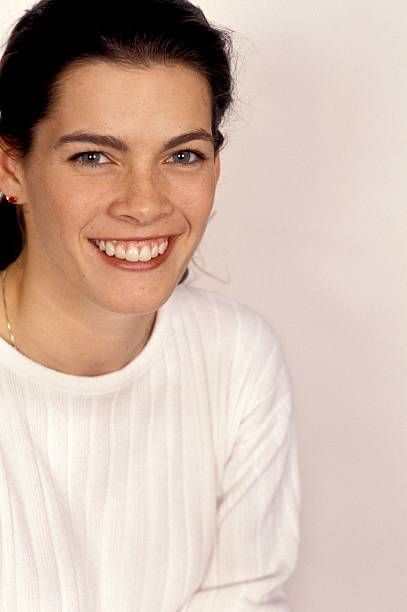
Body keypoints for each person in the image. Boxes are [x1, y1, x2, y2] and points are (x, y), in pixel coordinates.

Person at [0, 0, 301, 610]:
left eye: (182, 155)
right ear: (12, 168)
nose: (144, 203)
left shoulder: (235, 358)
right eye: (94, 156)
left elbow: (246, 597)